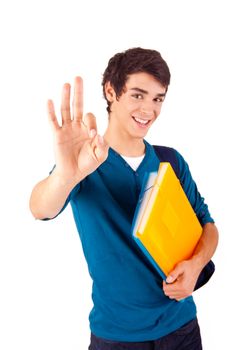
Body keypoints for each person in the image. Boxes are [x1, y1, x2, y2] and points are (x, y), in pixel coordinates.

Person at [29, 47, 219, 350]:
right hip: (117, 338)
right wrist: (66, 175)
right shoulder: (84, 163)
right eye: (138, 95)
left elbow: (207, 225)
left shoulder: (171, 161)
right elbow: (39, 208)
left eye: (158, 99)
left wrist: (196, 265)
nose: (149, 109)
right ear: (110, 92)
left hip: (182, 330)